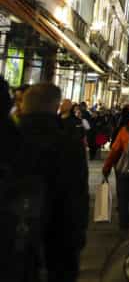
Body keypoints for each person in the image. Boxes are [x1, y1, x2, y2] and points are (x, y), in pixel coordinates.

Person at [9, 83, 89, 282]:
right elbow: (77, 199)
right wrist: (76, 240)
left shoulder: (10, 140)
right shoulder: (68, 146)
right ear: (55, 107)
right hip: (57, 239)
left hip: (12, 237)